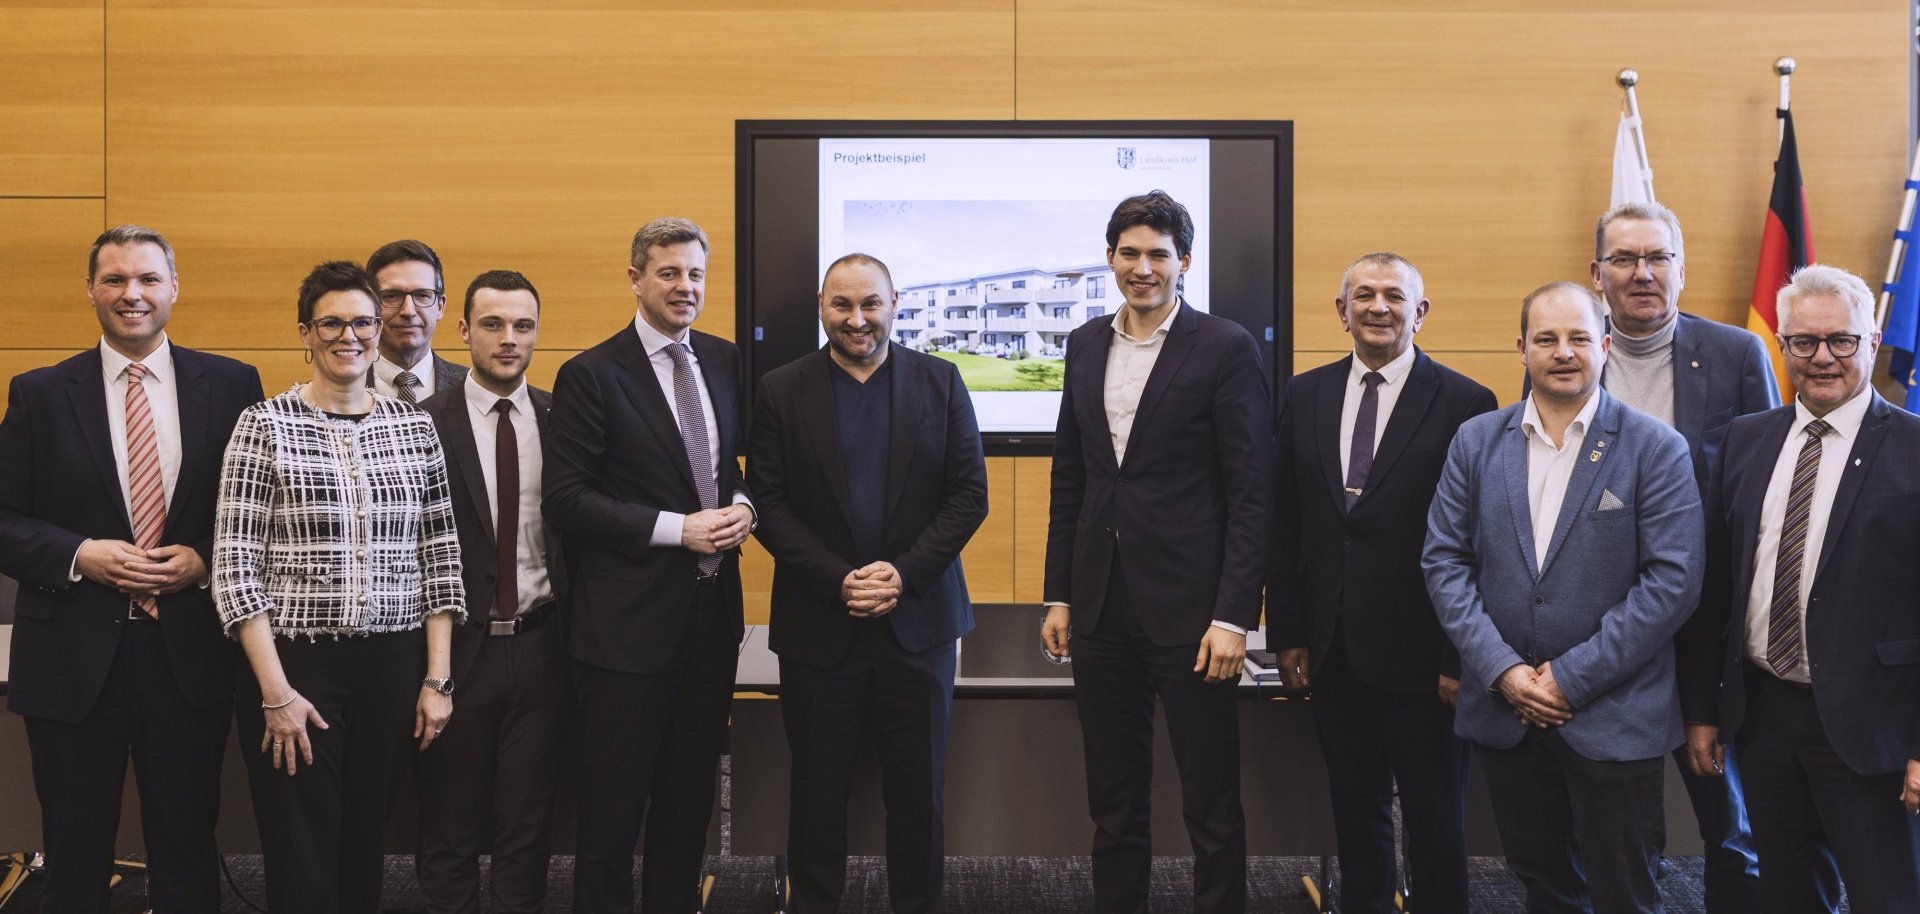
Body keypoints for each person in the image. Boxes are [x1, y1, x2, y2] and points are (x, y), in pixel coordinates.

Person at [0, 225, 262, 913]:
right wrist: (79, 553)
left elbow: (257, 511)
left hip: (187, 652)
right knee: (75, 851)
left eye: (147, 278)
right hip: (71, 658)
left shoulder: (234, 384)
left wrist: (205, 559)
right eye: (115, 279)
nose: (132, 293)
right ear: (91, 290)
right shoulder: (40, 393)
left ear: (174, 288)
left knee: (185, 845)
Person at [1423, 281, 1702, 913]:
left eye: (1579, 337)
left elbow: (1672, 584)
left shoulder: (1655, 447)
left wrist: (1567, 680)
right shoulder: (1476, 442)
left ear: (1605, 346)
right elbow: (1444, 561)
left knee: (1626, 892)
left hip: (1612, 715)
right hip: (1509, 713)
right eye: (1546, 338)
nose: (1563, 351)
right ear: (1521, 349)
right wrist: (1504, 673)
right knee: (1543, 885)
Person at [1040, 191, 1271, 914]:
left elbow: (1252, 494)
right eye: (1129, 253)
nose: (1143, 268)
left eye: (1158, 255)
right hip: (1101, 612)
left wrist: (1234, 615)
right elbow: (1072, 477)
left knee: (1210, 806)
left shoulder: (1226, 347)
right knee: (1114, 804)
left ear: (1185, 262)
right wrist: (1060, 594)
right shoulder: (1083, 343)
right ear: (1110, 258)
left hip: (1194, 618)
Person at [213, 260, 464, 914]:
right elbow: (236, 569)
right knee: (302, 857)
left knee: (363, 850)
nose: (348, 335)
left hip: (391, 665)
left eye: (362, 322)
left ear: (380, 331)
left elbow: (440, 557)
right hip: (295, 666)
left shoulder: (415, 429)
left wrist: (436, 680)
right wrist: (275, 694)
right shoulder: (263, 425)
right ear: (305, 332)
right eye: (332, 322)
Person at [749, 253, 989, 913]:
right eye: (842, 306)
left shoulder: (941, 382)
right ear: (822, 307)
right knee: (818, 798)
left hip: (920, 629)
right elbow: (766, 501)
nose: (857, 320)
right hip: (819, 627)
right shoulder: (781, 389)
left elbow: (968, 498)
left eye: (870, 304)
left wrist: (902, 575)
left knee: (919, 798)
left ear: (895, 303)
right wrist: (840, 581)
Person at [1680, 264, 1920, 913]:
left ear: (1872, 341)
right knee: (1788, 893)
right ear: (1781, 346)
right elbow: (1715, 590)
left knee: (1887, 895)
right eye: (1803, 342)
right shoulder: (1745, 439)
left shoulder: (1914, 448)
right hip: (1763, 716)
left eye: (1840, 340)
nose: (1822, 358)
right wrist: (1703, 709)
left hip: (1877, 727)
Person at [1269, 252, 1495, 914]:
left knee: (1436, 822)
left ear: (1419, 313)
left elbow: (1479, 545)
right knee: (1356, 814)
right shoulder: (1302, 395)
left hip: (1428, 661)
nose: (1377, 307)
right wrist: (1287, 633)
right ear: (1341, 312)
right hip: (1333, 651)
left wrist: (1460, 657)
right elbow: (1286, 525)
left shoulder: (1465, 402)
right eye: (1362, 295)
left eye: (1394, 296)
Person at [544, 217, 754, 914]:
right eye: (668, 273)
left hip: (711, 622)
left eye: (695, 273)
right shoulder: (592, 374)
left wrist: (745, 506)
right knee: (611, 813)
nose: (684, 287)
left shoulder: (725, 362)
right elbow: (568, 501)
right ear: (635, 278)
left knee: (689, 802)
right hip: (625, 630)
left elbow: (743, 467)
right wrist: (677, 530)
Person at [1589, 201, 1772, 911]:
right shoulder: (1574, 350)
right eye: (1626, 259)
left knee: (1729, 824)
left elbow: (1759, 489)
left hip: (1706, 625)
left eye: (1657, 258)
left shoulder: (1733, 354)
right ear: (1597, 272)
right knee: (1619, 828)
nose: (1643, 273)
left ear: (1680, 268)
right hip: (1603, 627)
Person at [416, 270, 568, 914]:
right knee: (448, 827)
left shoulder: (564, 422)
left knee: (526, 828)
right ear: (463, 331)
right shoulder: (421, 423)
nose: (509, 339)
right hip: (456, 651)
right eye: (493, 324)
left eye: (523, 326)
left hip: (543, 648)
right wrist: (433, 672)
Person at [366, 239, 467, 402]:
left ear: (440, 307)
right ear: (370, 306)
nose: (408, 311)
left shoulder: (470, 389)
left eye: (422, 295)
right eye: (391, 296)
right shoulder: (339, 390)